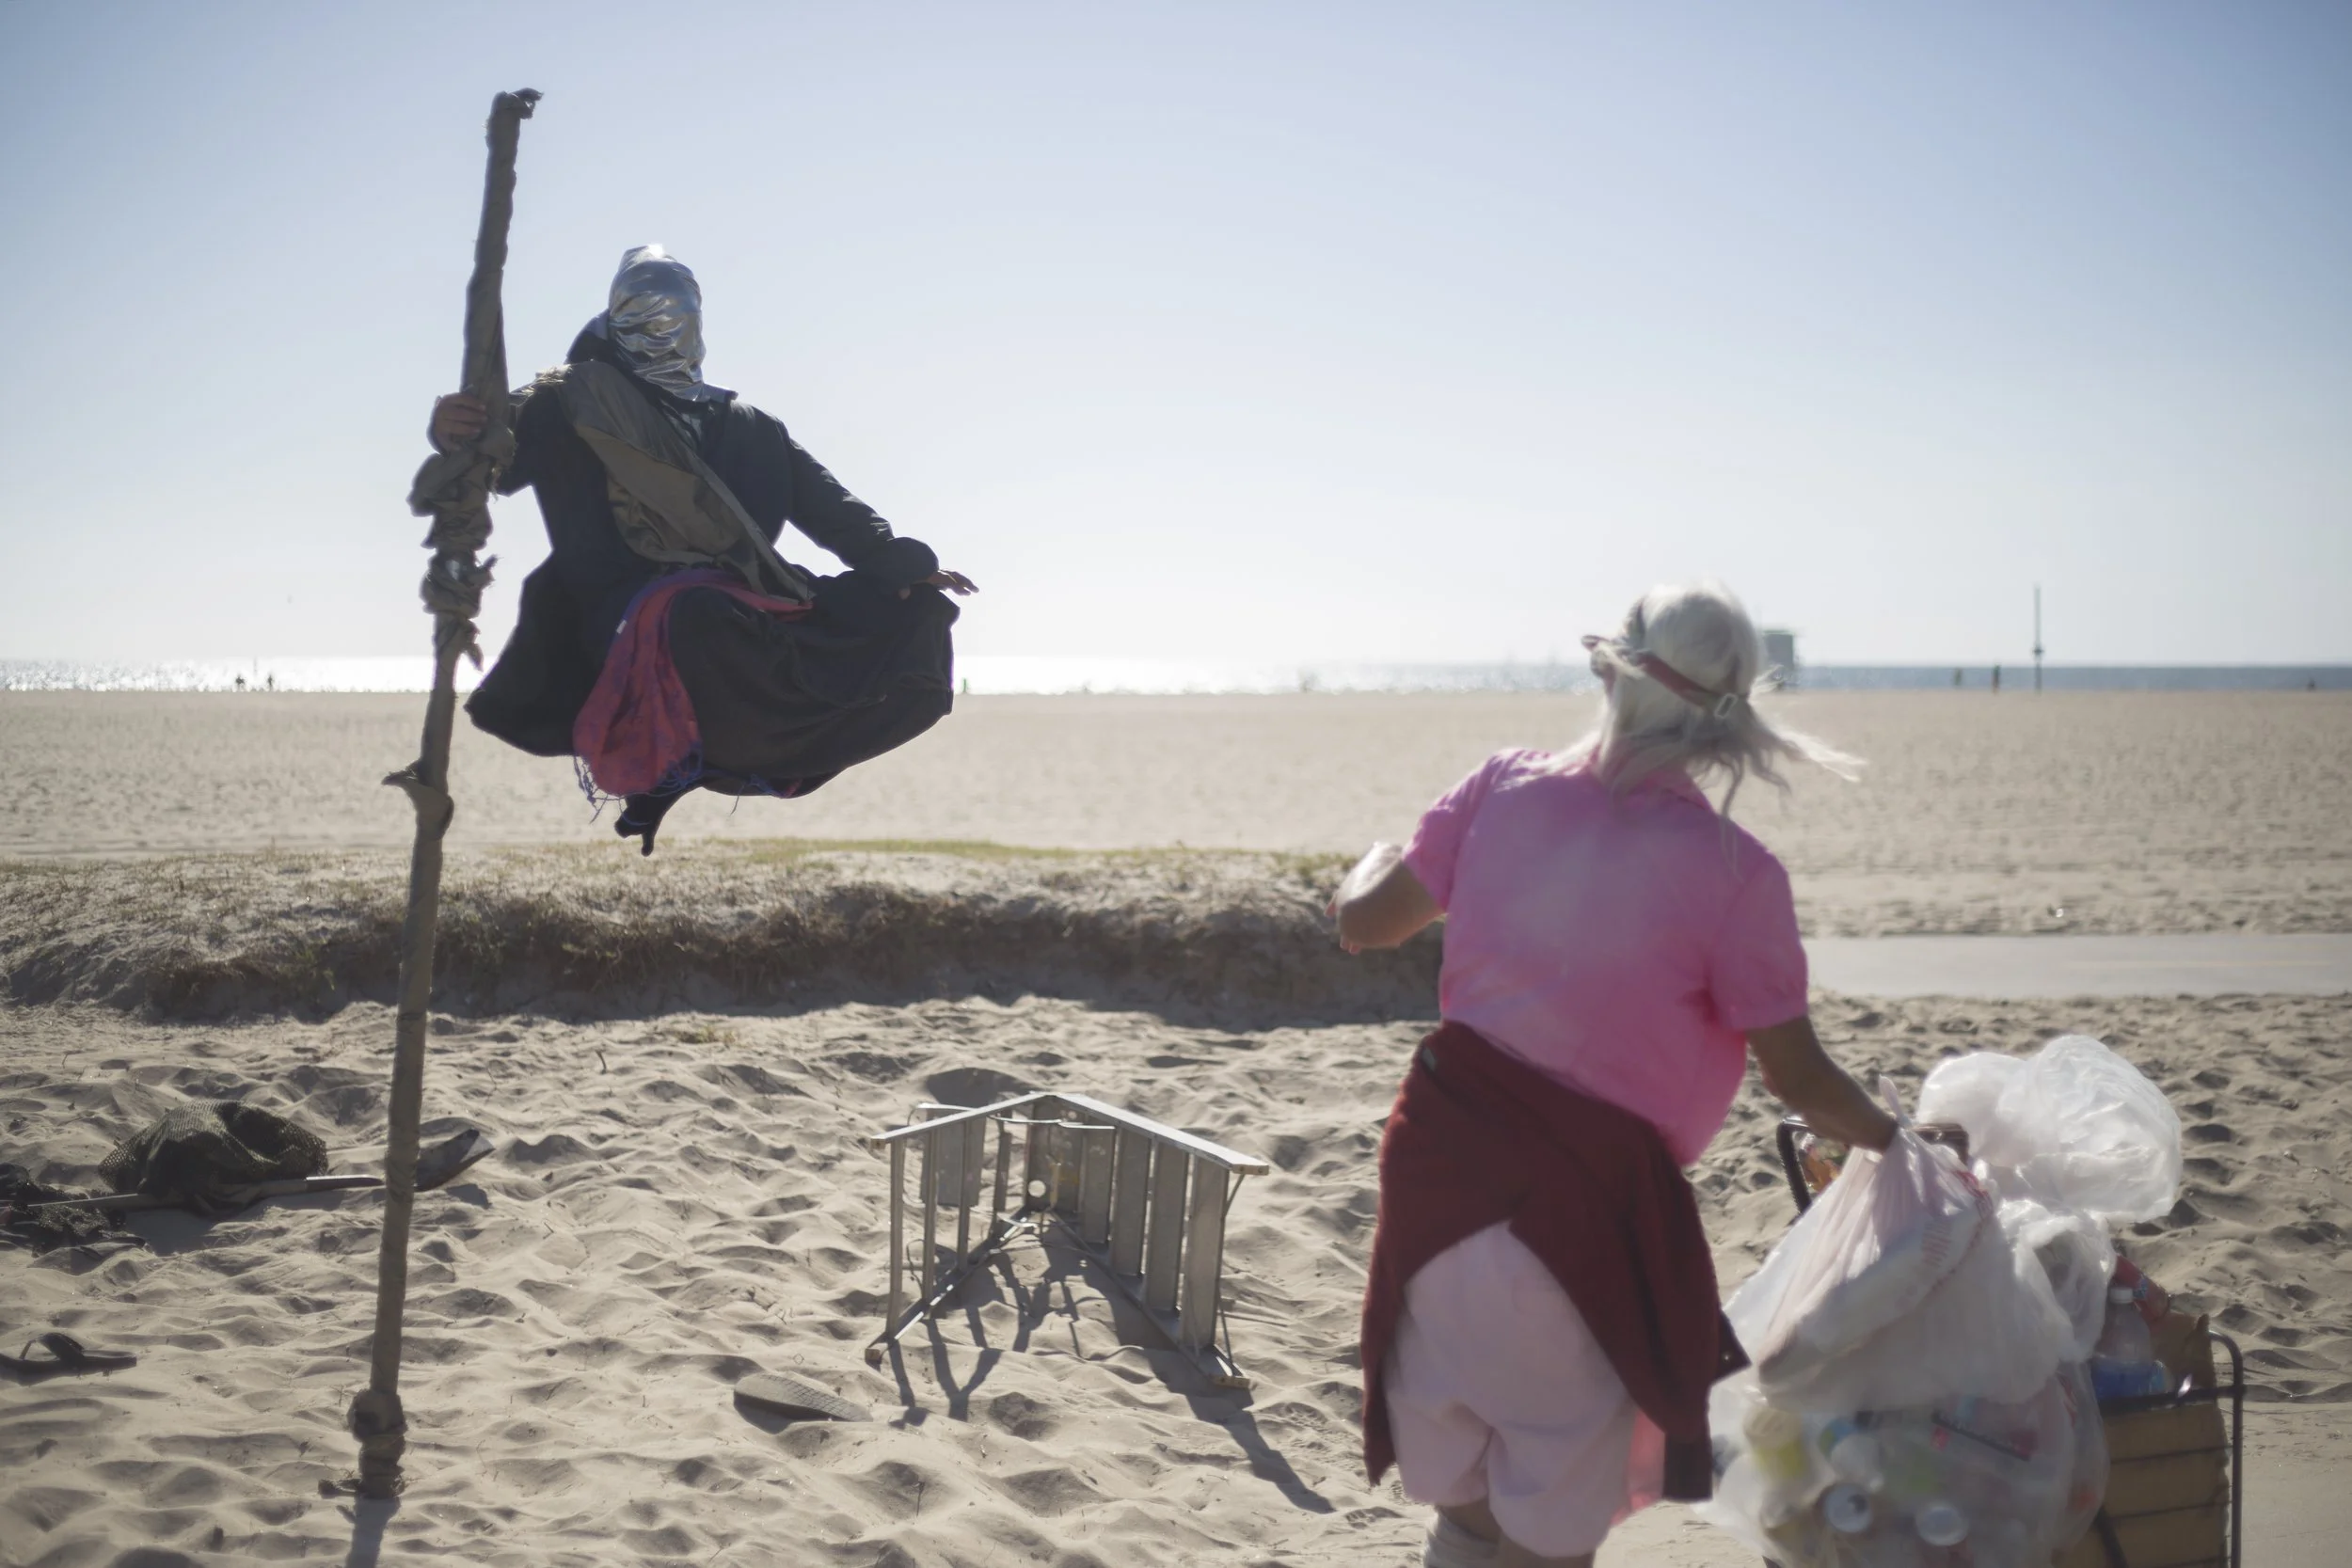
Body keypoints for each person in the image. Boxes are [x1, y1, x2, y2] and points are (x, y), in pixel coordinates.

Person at [1330, 581, 1899, 1568]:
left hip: (1434, 1200)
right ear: (1728, 726)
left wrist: (1366, 862)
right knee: (1551, 1533)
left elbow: (1364, 920)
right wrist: (1899, 1139)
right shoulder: (1737, 872)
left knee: (1466, 1510)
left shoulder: (1498, 785)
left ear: (1608, 667)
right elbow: (1799, 1080)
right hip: (1579, 1237)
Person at [430, 245, 977, 854]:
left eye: (674, 316)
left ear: (697, 322)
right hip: (630, 608)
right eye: (641, 317)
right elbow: (491, 459)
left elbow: (834, 511)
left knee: (917, 616)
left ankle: (734, 762)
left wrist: (909, 567)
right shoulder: (570, 402)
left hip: (747, 597)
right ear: (614, 321)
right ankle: (676, 764)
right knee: (696, 615)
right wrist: (455, 426)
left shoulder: (749, 424)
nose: (660, 332)